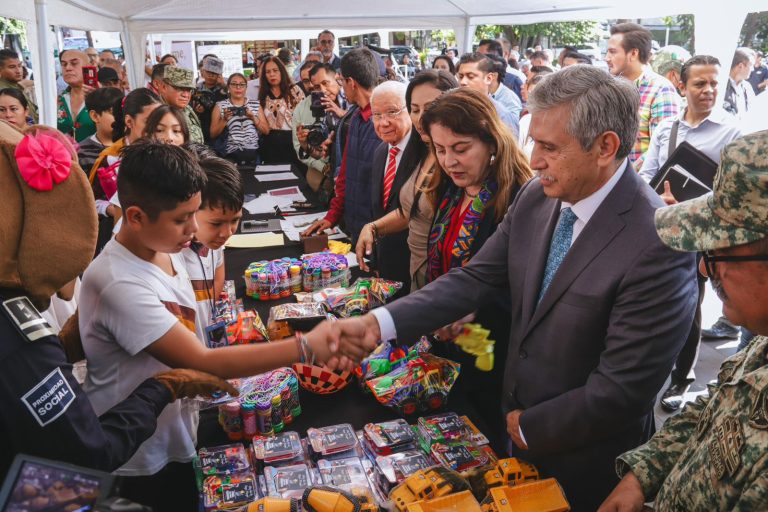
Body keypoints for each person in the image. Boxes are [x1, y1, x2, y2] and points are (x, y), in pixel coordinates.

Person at [329, 65, 697, 511]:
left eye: (549, 147)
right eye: (534, 142)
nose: (535, 160)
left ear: (605, 147)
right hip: (514, 435)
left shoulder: (657, 241)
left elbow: (623, 388)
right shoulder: (537, 197)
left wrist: (530, 426)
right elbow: (474, 277)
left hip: (587, 464)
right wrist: (378, 324)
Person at [79, 141, 339, 508]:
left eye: (195, 213)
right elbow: (201, 361)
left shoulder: (162, 248)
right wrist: (305, 346)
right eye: (182, 218)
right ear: (135, 217)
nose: (192, 229)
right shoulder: (119, 281)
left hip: (171, 427)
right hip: (139, 453)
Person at [0, 121, 234, 482]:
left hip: (162, 435)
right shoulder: (18, 339)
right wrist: (161, 389)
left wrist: (70, 342)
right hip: (126, 459)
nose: (192, 229)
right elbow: (91, 451)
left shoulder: (155, 253)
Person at [599, 130, 768, 512]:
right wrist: (641, 476)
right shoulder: (761, 340)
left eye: (719, 253)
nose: (705, 270)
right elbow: (719, 405)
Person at [637, 55, 742, 412]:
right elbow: (647, 175)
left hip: (700, 237)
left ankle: (682, 378)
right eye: (700, 83)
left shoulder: (732, 132)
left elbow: (733, 194)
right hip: (662, 229)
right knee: (653, 301)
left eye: (714, 83)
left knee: (689, 307)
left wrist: (691, 205)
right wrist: (659, 199)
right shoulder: (667, 128)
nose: (709, 90)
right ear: (681, 86)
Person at [356, 70, 457, 291]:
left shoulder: (453, 164)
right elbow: (410, 210)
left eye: (392, 112)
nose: (421, 118)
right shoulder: (410, 149)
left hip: (442, 284)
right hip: (411, 277)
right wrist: (373, 228)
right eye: (415, 109)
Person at [301, 48, 382, 243]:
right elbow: (345, 175)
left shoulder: (382, 124)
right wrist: (332, 216)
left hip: (376, 233)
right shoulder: (354, 118)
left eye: (342, 81)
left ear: (351, 83)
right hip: (356, 227)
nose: (341, 86)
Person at [364, 80, 423, 291]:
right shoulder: (381, 151)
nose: (384, 122)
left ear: (410, 110)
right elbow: (378, 209)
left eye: (392, 112)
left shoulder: (425, 153)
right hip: (385, 269)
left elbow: (414, 211)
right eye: (377, 115)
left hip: (415, 270)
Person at [89, 88, 161, 254]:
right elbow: (92, 201)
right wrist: (111, 208)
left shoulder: (164, 153)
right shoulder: (110, 158)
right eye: (149, 122)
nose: (156, 128)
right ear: (129, 121)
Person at [179, 154, 243, 344]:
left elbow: (218, 276)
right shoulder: (173, 255)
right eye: (216, 223)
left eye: (235, 220)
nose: (227, 233)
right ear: (191, 210)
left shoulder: (213, 242)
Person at [606, 23, 681, 169]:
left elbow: (663, 148)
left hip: (640, 179)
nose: (607, 58)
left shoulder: (661, 89)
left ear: (634, 53)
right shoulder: (608, 88)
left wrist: (626, 174)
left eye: (613, 52)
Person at [292, 62, 347, 196]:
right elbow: (301, 147)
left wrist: (343, 114)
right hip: (321, 170)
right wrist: (323, 167)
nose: (322, 90)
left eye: (325, 83)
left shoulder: (351, 99)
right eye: (316, 86)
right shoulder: (302, 108)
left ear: (337, 78)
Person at [456, 53, 519, 137]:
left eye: (470, 77)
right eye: (460, 77)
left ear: (489, 78)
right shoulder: (452, 108)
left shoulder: (502, 116)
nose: (463, 82)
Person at [257, 55, 305, 164]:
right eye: (268, 72)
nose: (272, 74)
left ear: (281, 71)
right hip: (270, 144)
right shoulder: (263, 95)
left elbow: (304, 117)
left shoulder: (295, 90)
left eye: (275, 70)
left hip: (293, 141)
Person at [211, 73, 262, 164]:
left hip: (253, 154)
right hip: (230, 156)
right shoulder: (220, 106)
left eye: (242, 84)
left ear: (246, 87)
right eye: (234, 84)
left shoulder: (255, 104)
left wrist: (253, 117)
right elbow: (213, 134)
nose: (238, 87)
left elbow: (266, 130)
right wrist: (224, 120)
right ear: (228, 87)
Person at [76, 87, 124, 172]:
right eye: (114, 113)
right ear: (95, 116)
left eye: (122, 113)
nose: (120, 118)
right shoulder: (81, 153)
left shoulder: (131, 145)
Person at [57, 49, 97, 142]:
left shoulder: (102, 98)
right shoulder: (58, 100)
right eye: (64, 64)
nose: (68, 68)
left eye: (74, 63)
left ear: (89, 66)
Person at [158, 65, 204, 143]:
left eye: (189, 90)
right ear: (163, 87)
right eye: (179, 88)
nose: (186, 95)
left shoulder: (188, 109)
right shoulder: (156, 115)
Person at [191, 56, 228, 144]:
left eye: (214, 73)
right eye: (208, 72)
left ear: (219, 75)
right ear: (203, 72)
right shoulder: (196, 89)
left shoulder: (225, 89)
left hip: (221, 131)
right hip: (202, 130)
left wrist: (225, 86)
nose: (210, 75)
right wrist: (197, 111)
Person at [0, 48, 37, 122]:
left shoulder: (16, 86)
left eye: (20, 66)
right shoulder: (3, 92)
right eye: (12, 67)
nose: (18, 71)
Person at [486, 54, 523, 121]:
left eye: (471, 76)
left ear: (493, 76)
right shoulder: (477, 93)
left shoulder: (510, 99)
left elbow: (512, 125)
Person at [724, 47, 757, 120]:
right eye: (751, 65)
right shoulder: (720, 86)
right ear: (740, 66)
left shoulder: (747, 87)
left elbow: (754, 111)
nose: (752, 69)